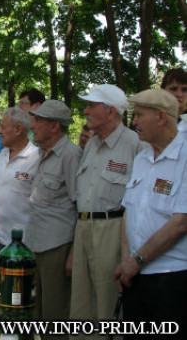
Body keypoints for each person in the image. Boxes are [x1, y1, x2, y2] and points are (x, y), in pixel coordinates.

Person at [70, 84, 147, 331]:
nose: (85, 111)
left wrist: (129, 251)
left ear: (111, 111)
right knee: (81, 306)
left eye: (91, 105)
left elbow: (142, 200)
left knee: (108, 305)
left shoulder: (135, 144)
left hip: (113, 230)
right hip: (83, 228)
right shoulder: (91, 144)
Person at [115, 89, 187, 339]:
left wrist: (136, 261)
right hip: (136, 277)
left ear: (161, 117)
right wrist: (127, 261)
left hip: (171, 278)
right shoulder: (143, 157)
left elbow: (181, 223)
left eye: (139, 115)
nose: (134, 121)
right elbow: (129, 211)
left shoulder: (184, 157)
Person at [24, 100, 81, 333]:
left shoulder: (71, 155)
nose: (32, 125)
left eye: (38, 120)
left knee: (54, 316)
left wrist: (73, 254)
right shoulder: (41, 153)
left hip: (57, 247)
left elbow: (81, 207)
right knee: (35, 312)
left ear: (55, 126)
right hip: (35, 243)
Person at [0, 107, 40, 302]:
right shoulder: (1, 155)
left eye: (3, 126)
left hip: (21, 244)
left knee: (16, 296)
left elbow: (39, 203)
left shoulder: (36, 158)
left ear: (18, 129)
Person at [160, 67, 187, 138]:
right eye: (174, 89)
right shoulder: (151, 121)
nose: (179, 94)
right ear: (163, 91)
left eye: (184, 90)